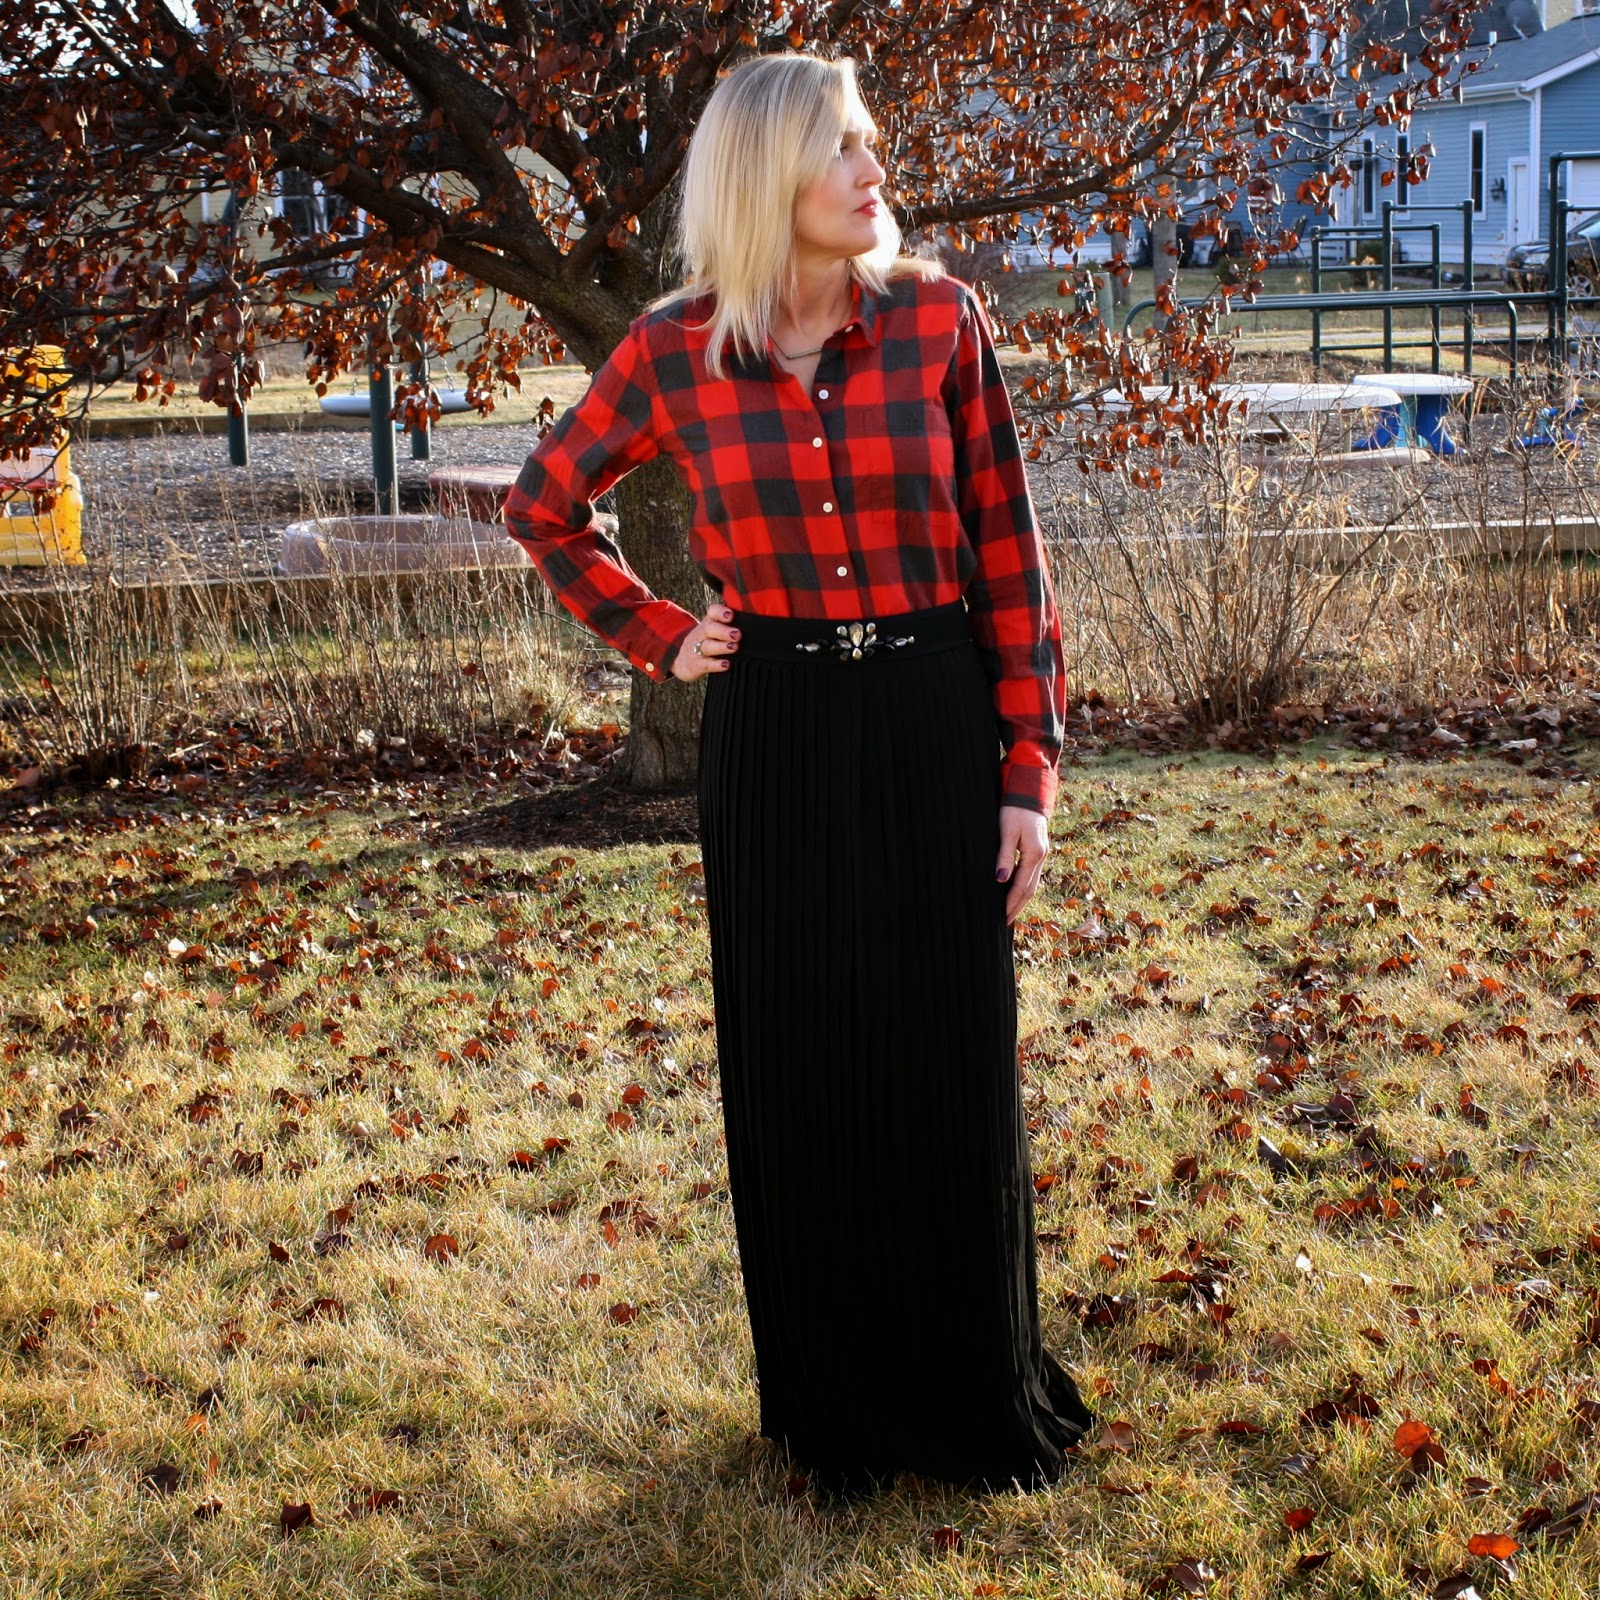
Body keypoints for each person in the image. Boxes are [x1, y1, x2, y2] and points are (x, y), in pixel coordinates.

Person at [503, 50, 1094, 1499]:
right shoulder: (671, 350)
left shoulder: (942, 326)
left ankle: (972, 1402)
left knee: (947, 1060)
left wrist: (1027, 772)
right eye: (842, 146)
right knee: (803, 1062)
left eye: (870, 142)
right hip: (777, 729)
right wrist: (657, 634)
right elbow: (544, 504)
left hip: (929, 715)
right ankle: (833, 1421)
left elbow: (1011, 560)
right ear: (769, 175)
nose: (871, 167)